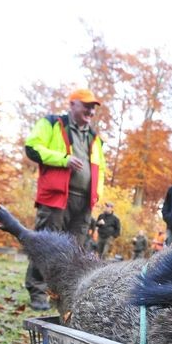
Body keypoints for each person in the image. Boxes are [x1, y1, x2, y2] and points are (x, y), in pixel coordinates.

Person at [23, 88, 106, 311]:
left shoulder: (94, 137)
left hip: (84, 202)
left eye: (93, 107)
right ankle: (37, 292)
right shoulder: (52, 123)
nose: (90, 110)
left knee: (74, 250)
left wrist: (96, 194)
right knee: (45, 244)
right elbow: (31, 147)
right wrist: (63, 159)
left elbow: (100, 168)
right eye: (86, 105)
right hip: (56, 198)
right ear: (72, 104)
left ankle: (60, 294)